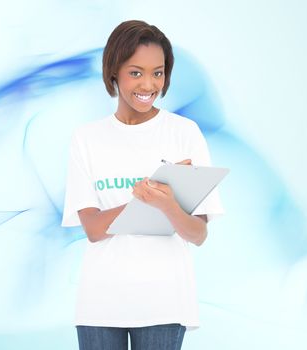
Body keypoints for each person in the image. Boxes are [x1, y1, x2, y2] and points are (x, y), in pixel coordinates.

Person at [61, 20, 224, 350]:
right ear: (114, 73)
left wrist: (166, 203)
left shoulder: (184, 133)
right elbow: (92, 228)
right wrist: (149, 194)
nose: (149, 84)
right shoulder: (87, 138)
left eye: (158, 72)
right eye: (136, 72)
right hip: (100, 302)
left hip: (165, 300)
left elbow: (198, 234)